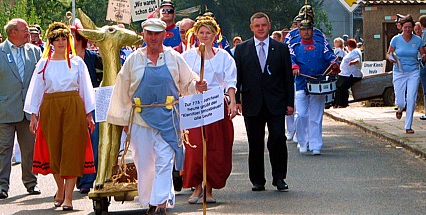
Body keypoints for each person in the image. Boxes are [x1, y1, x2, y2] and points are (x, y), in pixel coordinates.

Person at [107, 18, 205, 214]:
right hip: (140, 120)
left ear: (164, 35)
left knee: (164, 161)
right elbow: (122, 90)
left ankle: (158, 204)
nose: (153, 38)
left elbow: (187, 82)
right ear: (143, 35)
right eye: (149, 34)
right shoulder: (134, 60)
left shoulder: (174, 57)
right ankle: (154, 199)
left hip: (169, 119)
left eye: (157, 34)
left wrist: (197, 86)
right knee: (144, 164)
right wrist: (124, 120)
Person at [24, 22, 96, 210]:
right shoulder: (43, 63)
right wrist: (33, 116)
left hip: (73, 106)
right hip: (50, 107)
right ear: (51, 42)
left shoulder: (77, 63)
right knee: (54, 149)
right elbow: (37, 90)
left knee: (71, 150)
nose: (61, 42)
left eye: (64, 38)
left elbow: (85, 89)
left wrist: (89, 114)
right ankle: (60, 188)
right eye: (57, 39)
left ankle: (69, 198)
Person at [0, 18, 41, 199]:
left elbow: (40, 82)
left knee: (29, 149)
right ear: (13, 32)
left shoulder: (35, 52)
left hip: (28, 111)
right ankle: (2, 186)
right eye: (24, 30)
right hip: (5, 109)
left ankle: (31, 183)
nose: (28, 33)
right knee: (4, 148)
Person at [234, 12, 294, 192]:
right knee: (255, 142)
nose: (261, 28)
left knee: (277, 139)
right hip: (252, 103)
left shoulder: (281, 48)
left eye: (263, 25)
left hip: (276, 102)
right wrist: (236, 100)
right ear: (251, 27)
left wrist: (290, 102)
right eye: (257, 25)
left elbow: (287, 78)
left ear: (269, 26)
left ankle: (279, 177)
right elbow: (236, 78)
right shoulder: (242, 49)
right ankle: (257, 180)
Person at [181, 17, 237, 204]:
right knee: (195, 147)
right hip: (195, 106)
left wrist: (232, 102)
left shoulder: (223, 57)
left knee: (213, 148)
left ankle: (209, 189)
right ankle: (196, 187)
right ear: (196, 34)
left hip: (215, 105)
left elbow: (230, 81)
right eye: (202, 33)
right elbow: (180, 80)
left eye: (208, 33)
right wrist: (194, 86)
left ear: (215, 35)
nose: (205, 36)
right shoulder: (187, 56)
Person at [291, 17, 339, 155]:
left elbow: (330, 56)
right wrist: (293, 66)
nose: (306, 32)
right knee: (301, 115)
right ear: (299, 31)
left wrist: (334, 63)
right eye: (303, 29)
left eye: (308, 29)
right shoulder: (294, 47)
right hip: (301, 84)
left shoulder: (320, 45)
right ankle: (302, 142)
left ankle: (315, 145)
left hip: (318, 84)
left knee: (316, 117)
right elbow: (290, 58)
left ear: (312, 30)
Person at [70, 22, 105, 194]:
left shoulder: (94, 58)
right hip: (72, 105)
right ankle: (78, 177)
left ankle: (90, 178)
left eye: (71, 36)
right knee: (75, 143)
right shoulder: (64, 59)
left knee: (94, 140)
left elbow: (104, 79)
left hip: (93, 105)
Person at [386, 15, 426, 134]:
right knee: (401, 100)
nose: (407, 30)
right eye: (405, 27)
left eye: (410, 27)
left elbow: (423, 55)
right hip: (399, 71)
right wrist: (391, 59)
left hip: (413, 71)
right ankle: (400, 108)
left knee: (411, 98)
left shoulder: (417, 40)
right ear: (401, 28)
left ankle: (408, 126)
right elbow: (389, 53)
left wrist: (424, 57)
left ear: (413, 28)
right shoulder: (396, 39)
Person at [334, 38, 362, 108]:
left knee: (342, 86)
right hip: (346, 74)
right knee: (339, 85)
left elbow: (357, 59)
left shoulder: (355, 52)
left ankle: (342, 103)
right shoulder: (354, 51)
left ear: (349, 45)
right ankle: (338, 103)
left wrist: (353, 62)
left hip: (351, 74)